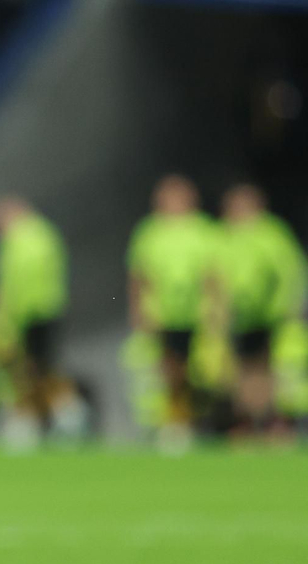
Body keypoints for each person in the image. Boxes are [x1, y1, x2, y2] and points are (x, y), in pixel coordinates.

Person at [126, 175, 220, 441]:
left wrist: (216, 310)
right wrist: (138, 310)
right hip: (162, 314)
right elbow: (138, 275)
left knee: (202, 372)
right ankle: (173, 422)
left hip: (196, 314)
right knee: (167, 369)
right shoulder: (149, 231)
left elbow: (214, 275)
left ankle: (198, 421)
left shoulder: (204, 230)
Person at [216, 184, 306, 434]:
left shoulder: (273, 233)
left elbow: (290, 271)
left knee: (278, 368)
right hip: (239, 318)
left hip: (275, 316)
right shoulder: (223, 235)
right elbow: (213, 276)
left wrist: (291, 305)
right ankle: (248, 422)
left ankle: (276, 423)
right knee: (242, 371)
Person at [0, 197, 78, 439]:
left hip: (34, 313)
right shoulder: (42, 234)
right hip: (40, 310)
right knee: (37, 369)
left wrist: (6, 316)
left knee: (36, 368)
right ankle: (51, 420)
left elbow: (17, 282)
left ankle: (60, 418)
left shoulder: (22, 238)